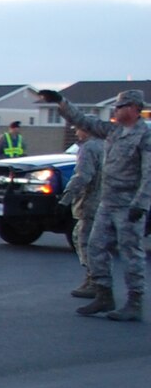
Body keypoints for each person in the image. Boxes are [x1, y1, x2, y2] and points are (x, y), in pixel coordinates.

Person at [40, 88, 151, 321]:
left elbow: (149, 173)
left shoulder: (144, 136)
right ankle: (103, 294)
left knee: (131, 254)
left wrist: (141, 204)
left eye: (120, 107)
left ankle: (134, 302)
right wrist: (61, 102)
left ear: (133, 108)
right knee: (95, 247)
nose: (116, 110)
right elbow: (82, 121)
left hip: (129, 205)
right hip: (107, 202)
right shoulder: (113, 131)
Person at [61, 120, 106, 298]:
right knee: (97, 243)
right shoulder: (106, 146)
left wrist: (66, 199)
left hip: (90, 202)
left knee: (84, 241)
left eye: (78, 129)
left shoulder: (88, 148)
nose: (76, 133)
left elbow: (83, 176)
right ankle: (97, 281)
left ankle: (94, 281)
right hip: (105, 202)